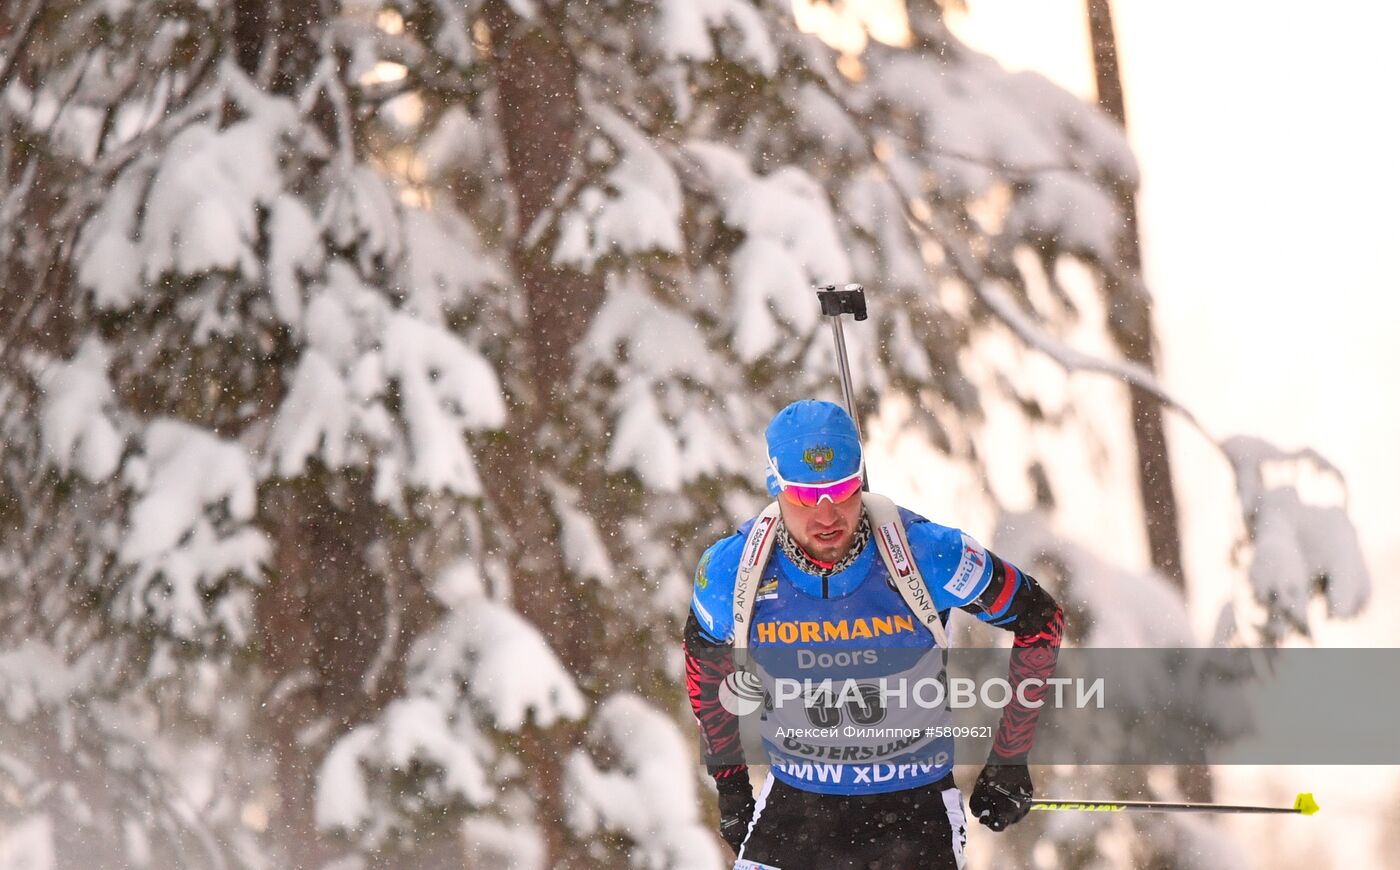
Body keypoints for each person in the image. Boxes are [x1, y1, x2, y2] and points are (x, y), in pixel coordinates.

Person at [684, 400, 1064, 869]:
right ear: (775, 486)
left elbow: (1039, 619)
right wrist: (732, 786)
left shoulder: (928, 554)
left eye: (842, 490)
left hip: (913, 811)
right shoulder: (733, 573)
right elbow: (704, 664)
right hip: (796, 811)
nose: (827, 515)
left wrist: (1010, 756)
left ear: (861, 480)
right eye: (805, 496)